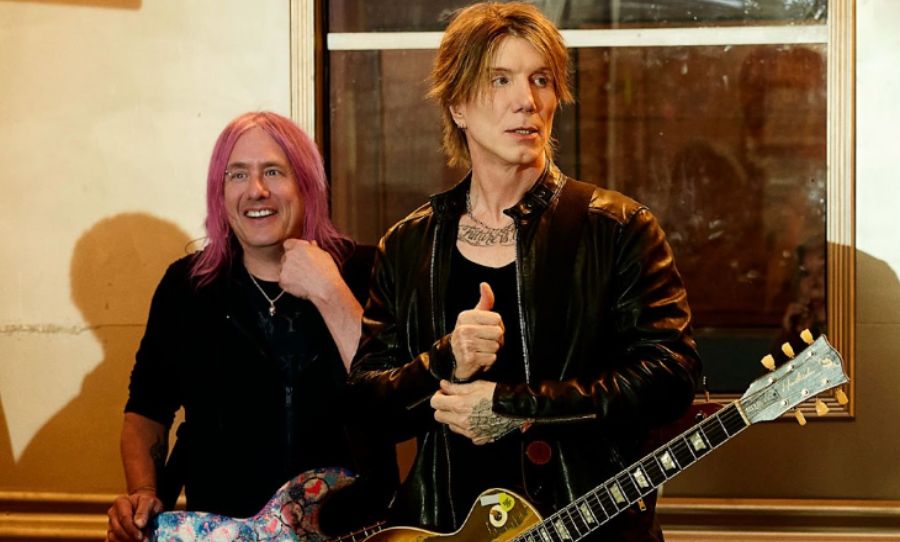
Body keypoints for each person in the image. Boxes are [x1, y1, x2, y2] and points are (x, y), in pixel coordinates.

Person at [349, 3, 700, 541]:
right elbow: (367, 407)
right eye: (500, 80)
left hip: (586, 528)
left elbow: (671, 378)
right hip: (446, 529)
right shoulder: (409, 244)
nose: (527, 101)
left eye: (541, 80)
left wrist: (516, 408)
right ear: (457, 105)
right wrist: (446, 358)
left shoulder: (616, 227)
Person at [106, 112, 397, 541]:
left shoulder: (368, 272)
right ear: (219, 193)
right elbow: (146, 412)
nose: (256, 190)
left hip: (355, 531)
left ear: (306, 184)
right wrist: (145, 492)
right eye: (237, 174)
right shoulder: (186, 288)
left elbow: (394, 399)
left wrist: (329, 291)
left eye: (274, 172)